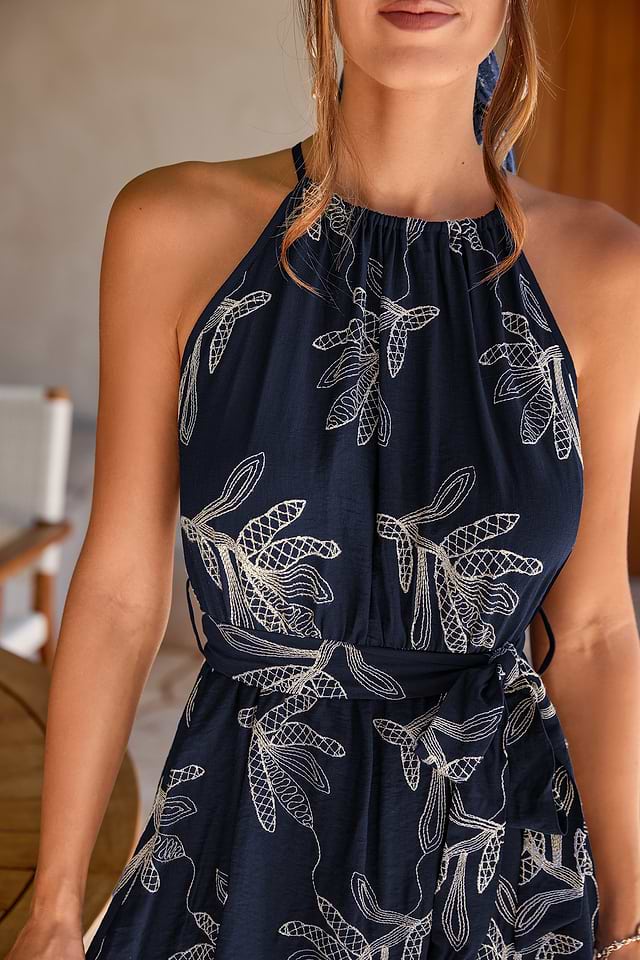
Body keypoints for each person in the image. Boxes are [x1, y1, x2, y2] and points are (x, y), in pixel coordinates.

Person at [8, 1, 640, 958]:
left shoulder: (607, 270)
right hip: (240, 848)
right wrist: (54, 911)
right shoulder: (170, 227)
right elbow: (121, 593)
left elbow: (591, 632)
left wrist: (628, 921)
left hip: (497, 874)